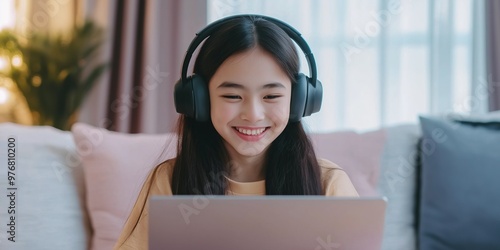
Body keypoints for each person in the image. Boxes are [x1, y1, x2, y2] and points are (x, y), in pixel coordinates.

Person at [114, 15, 358, 250]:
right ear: (199, 100)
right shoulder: (170, 180)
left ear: (299, 101)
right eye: (232, 96)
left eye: (271, 96)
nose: (253, 115)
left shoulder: (328, 184)